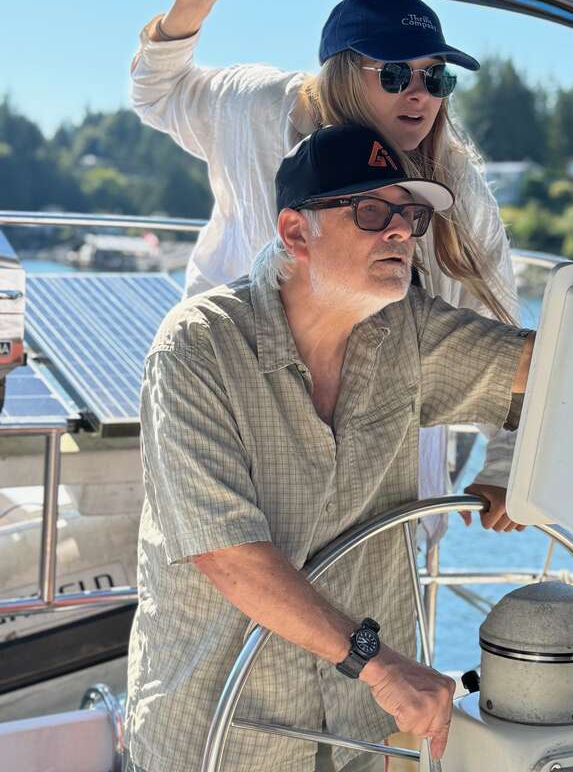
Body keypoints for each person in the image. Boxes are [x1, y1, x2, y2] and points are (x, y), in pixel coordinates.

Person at [130, 0, 573, 536]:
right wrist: (194, 2)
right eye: (394, 74)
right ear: (341, 73)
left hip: (382, 467)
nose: (419, 94)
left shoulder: (455, 188)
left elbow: (500, 331)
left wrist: (511, 464)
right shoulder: (255, 106)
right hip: (232, 401)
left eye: (435, 76)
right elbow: (158, 93)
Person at [124, 124, 536, 772]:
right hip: (218, 740)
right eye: (372, 212)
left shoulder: (411, 335)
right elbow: (228, 553)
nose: (399, 231)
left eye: (411, 214)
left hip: (357, 738)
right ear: (295, 233)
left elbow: (547, 370)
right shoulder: (196, 350)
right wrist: (378, 663)